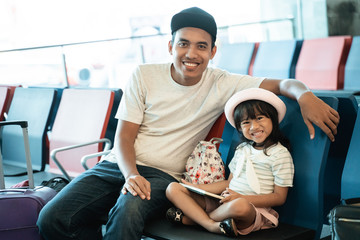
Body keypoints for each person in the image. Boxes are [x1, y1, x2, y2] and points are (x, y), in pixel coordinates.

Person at [37, 7, 339, 240]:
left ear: (212, 51)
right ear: (170, 46)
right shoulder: (143, 75)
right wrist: (130, 175)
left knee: (127, 214)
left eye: (201, 46)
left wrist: (305, 96)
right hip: (117, 165)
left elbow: (284, 83)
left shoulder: (222, 82)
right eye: (183, 44)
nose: (191, 54)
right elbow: (124, 137)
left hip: (164, 176)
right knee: (51, 218)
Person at [165, 88, 294, 237]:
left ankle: (194, 219)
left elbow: (279, 197)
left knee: (240, 206)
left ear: (273, 119)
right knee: (173, 188)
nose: (254, 127)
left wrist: (241, 198)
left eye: (259, 118)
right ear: (239, 128)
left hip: (252, 209)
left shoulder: (280, 154)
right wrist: (197, 187)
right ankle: (211, 225)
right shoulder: (242, 149)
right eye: (246, 122)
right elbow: (229, 183)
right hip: (224, 201)